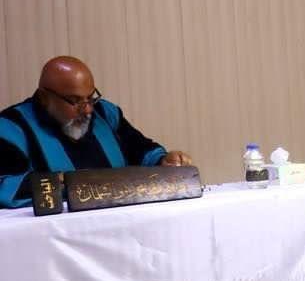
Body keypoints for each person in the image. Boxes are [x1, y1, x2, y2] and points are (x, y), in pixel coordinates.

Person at [1, 56, 193, 208]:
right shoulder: (11, 127)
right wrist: (67, 184)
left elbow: (140, 150)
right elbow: (5, 187)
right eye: (75, 101)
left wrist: (164, 161)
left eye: (90, 98)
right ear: (44, 98)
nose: (87, 110)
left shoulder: (105, 113)